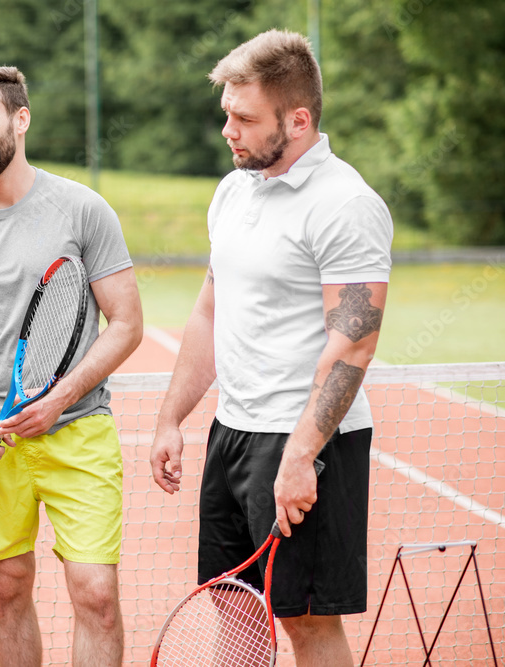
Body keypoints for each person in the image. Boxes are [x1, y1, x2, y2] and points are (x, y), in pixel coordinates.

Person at [149, 29, 393, 666]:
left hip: (309, 445)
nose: (227, 129)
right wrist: (172, 417)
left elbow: (355, 345)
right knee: (235, 609)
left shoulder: (346, 204)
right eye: (226, 113)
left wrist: (300, 456)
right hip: (232, 434)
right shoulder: (234, 190)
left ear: (299, 119)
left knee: (307, 625)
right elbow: (209, 309)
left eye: (244, 118)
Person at [0, 61, 143, 666]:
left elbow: (126, 323)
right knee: (7, 586)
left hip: (80, 432)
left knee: (96, 594)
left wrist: (59, 399)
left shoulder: (83, 209)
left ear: (20, 119)